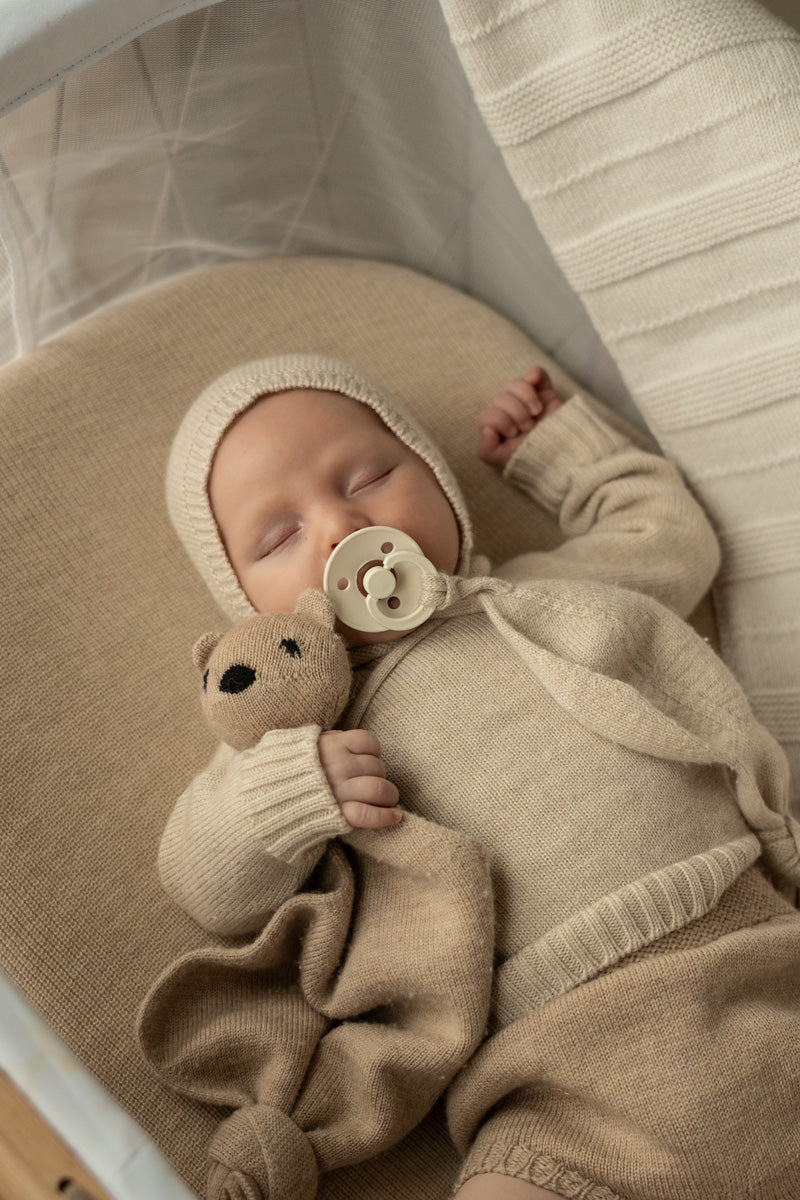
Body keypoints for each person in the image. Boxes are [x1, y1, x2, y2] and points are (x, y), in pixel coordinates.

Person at [153, 353, 800, 1200]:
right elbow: (201, 876)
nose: (341, 527)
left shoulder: (547, 596)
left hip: (747, 954)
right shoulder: (303, 731)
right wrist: (285, 793)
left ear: (436, 478)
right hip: (552, 1070)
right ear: (242, 601)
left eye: (370, 476)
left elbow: (669, 537)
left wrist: (558, 450)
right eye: (279, 537)